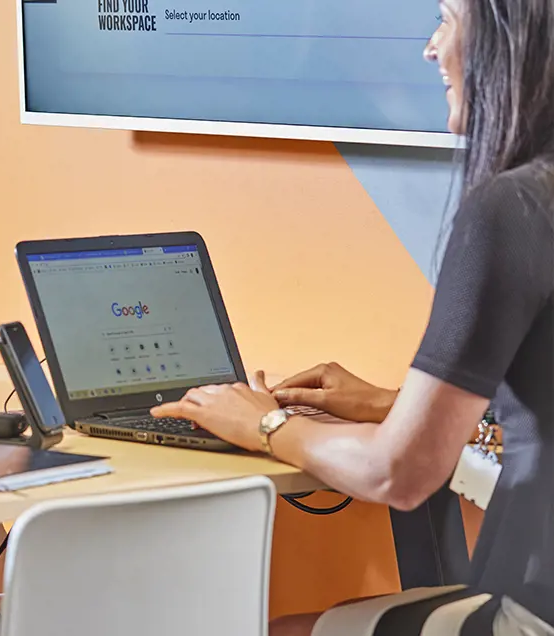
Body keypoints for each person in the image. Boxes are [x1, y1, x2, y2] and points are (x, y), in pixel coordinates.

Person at [151, 0, 554, 633]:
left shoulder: (515, 210)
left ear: (510, 39)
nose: (431, 48)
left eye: (446, 19)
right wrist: (389, 404)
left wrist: (265, 423)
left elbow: (397, 473)